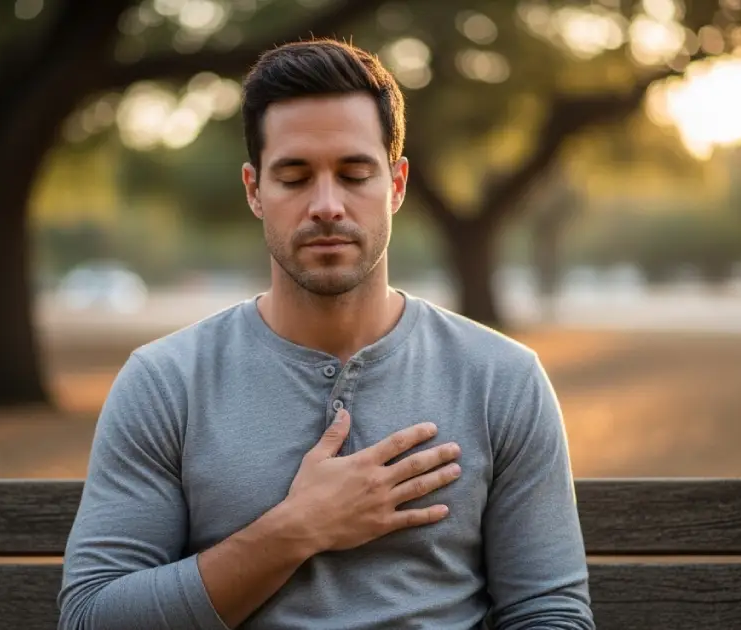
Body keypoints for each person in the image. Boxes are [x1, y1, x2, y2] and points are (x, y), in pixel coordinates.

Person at [57, 38, 594, 630]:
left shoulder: (501, 378)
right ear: (254, 190)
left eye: (354, 173)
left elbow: (548, 612)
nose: (327, 205)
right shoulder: (166, 384)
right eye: (294, 177)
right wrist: (297, 528)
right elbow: (91, 617)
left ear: (396, 184)